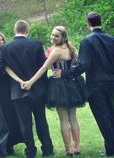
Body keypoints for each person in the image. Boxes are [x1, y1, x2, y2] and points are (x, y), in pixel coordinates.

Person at [54, 12, 114, 156]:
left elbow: (83, 64)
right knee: (111, 113)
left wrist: (65, 74)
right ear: (100, 21)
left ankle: (111, 149)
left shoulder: (87, 41)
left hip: (96, 84)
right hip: (111, 82)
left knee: (102, 116)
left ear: (88, 23)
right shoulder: (111, 39)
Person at [0, 20, 54, 158]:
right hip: (38, 90)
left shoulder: (5, 48)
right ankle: (47, 149)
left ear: (14, 30)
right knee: (41, 121)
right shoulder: (37, 45)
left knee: (25, 124)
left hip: (18, 91)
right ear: (27, 30)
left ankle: (31, 151)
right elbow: (43, 68)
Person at [21, 26, 87, 157]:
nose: (53, 38)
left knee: (64, 119)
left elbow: (44, 68)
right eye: (52, 35)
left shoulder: (56, 51)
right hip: (73, 84)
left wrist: (30, 82)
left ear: (63, 37)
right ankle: (77, 147)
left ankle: (69, 150)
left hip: (58, 86)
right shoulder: (70, 48)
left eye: (56, 36)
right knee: (73, 118)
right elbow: (78, 64)